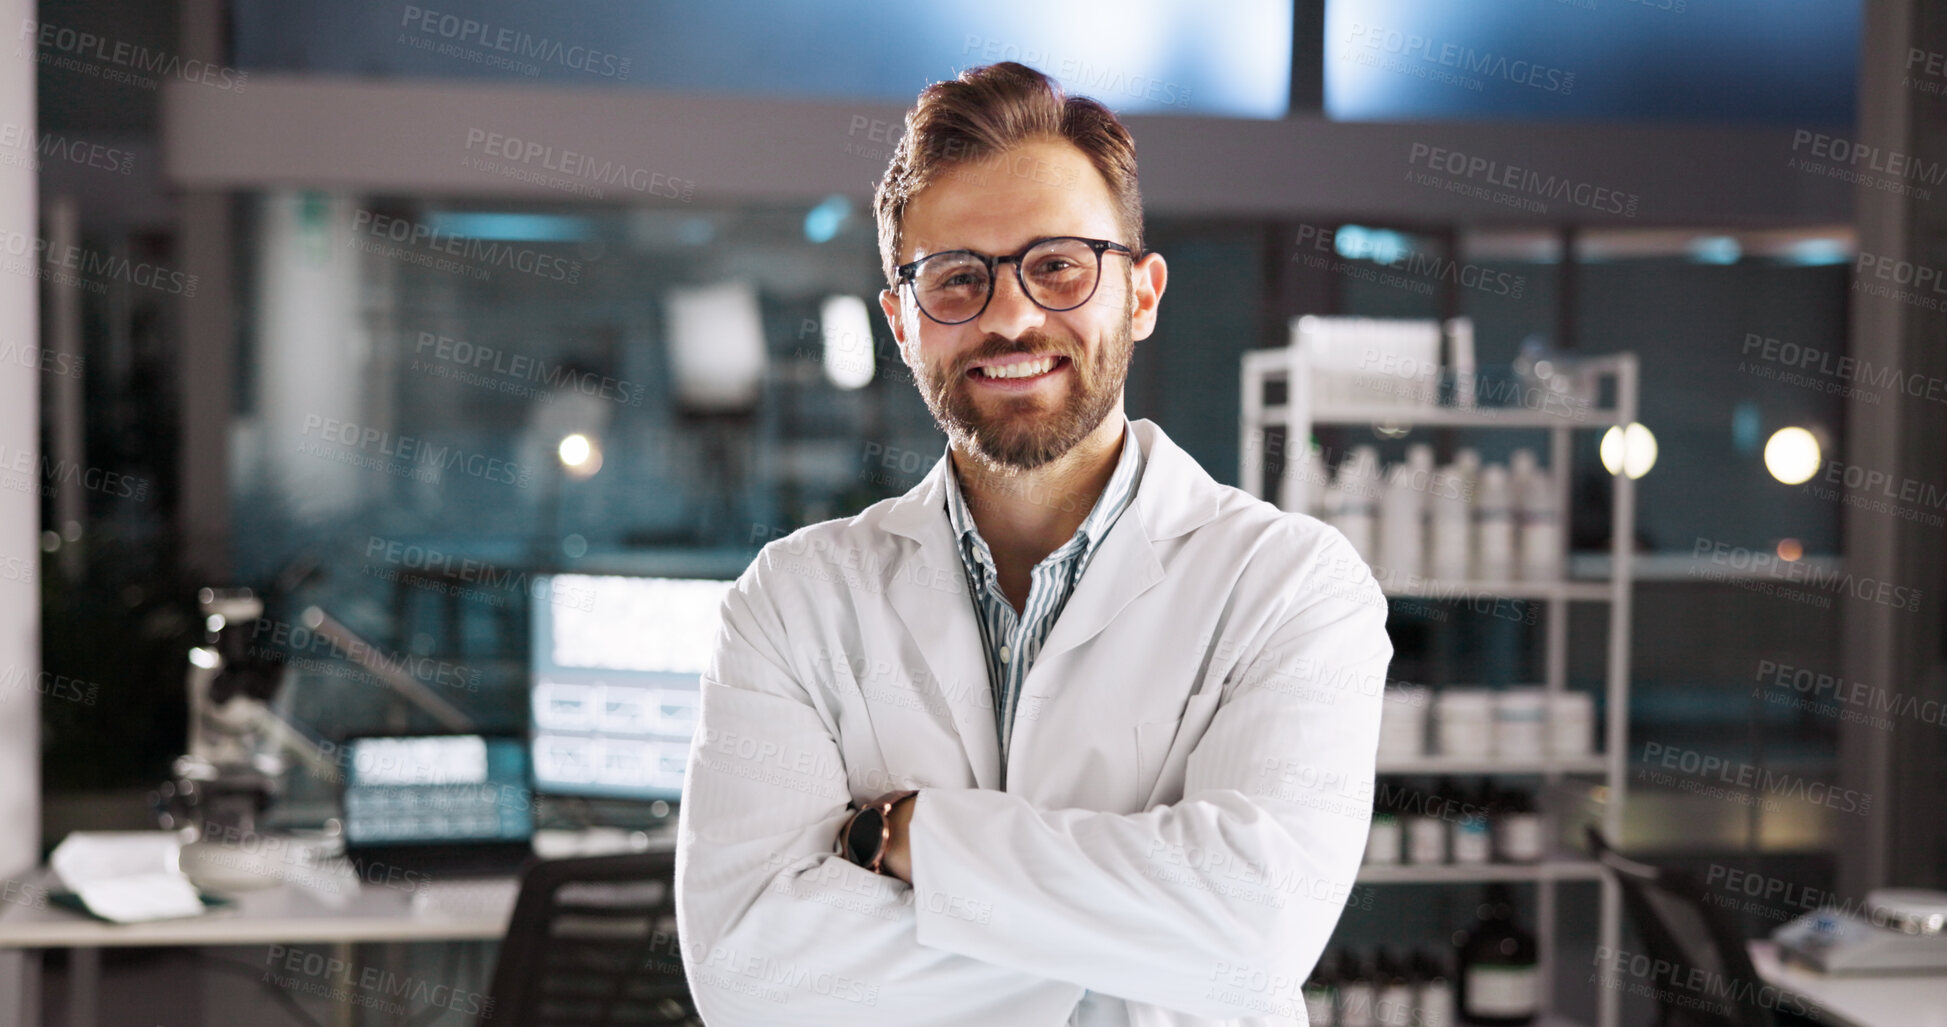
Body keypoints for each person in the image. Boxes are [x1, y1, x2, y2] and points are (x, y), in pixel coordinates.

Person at [675, 61, 1392, 1026]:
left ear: (1140, 294)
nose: (1010, 316)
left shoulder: (1293, 587)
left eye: (1058, 265)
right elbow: (750, 976)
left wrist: (911, 837)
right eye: (956, 277)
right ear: (901, 322)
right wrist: (1136, 931)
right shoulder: (792, 599)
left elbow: (1253, 931)